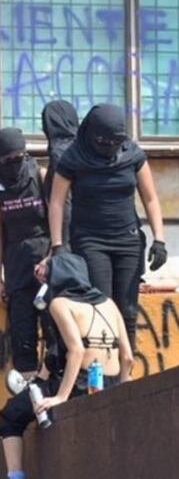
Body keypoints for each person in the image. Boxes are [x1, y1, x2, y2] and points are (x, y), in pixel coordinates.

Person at [0, 251, 133, 479]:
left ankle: (15, 475)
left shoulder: (60, 303)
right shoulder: (109, 303)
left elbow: (76, 351)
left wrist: (61, 397)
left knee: (11, 414)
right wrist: (125, 386)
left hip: (81, 383)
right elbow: (128, 357)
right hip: (111, 383)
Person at [45, 104, 166, 350]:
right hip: (91, 241)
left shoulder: (133, 155)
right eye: (103, 141)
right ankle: (105, 376)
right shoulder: (73, 157)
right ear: (90, 133)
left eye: (116, 141)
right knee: (102, 305)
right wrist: (57, 245)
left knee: (128, 309)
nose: (109, 146)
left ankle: (126, 375)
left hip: (128, 240)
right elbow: (56, 202)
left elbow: (151, 198)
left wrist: (160, 239)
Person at [0, 128, 49, 379]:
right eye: (7, 160)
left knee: (54, 331)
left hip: (46, 261)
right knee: (22, 336)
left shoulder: (41, 176)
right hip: (17, 265)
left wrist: (52, 256)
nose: (13, 164)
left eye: (18, 158)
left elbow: (59, 221)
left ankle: (55, 391)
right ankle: (28, 392)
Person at [41, 100, 79, 248]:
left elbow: (64, 201)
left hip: (71, 235)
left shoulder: (60, 153)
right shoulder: (84, 145)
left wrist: (60, 244)